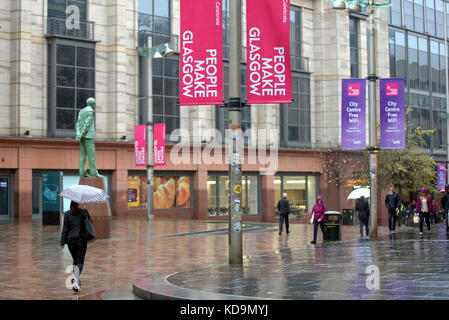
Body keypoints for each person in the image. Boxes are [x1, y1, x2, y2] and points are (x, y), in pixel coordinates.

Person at [60, 201, 93, 292]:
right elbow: (90, 222)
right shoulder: (83, 212)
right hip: (80, 241)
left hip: (70, 242)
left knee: (75, 260)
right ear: (78, 203)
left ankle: (77, 283)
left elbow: (65, 229)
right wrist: (86, 211)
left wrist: (62, 242)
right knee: (80, 261)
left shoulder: (67, 214)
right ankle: (75, 278)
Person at [76, 97, 103, 178]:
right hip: (88, 136)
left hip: (82, 136)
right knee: (91, 155)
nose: (95, 105)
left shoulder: (81, 111)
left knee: (83, 155)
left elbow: (78, 123)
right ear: (92, 104)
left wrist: (79, 134)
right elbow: (87, 124)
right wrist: (82, 134)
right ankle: (94, 173)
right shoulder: (90, 111)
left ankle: (82, 173)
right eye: (94, 103)